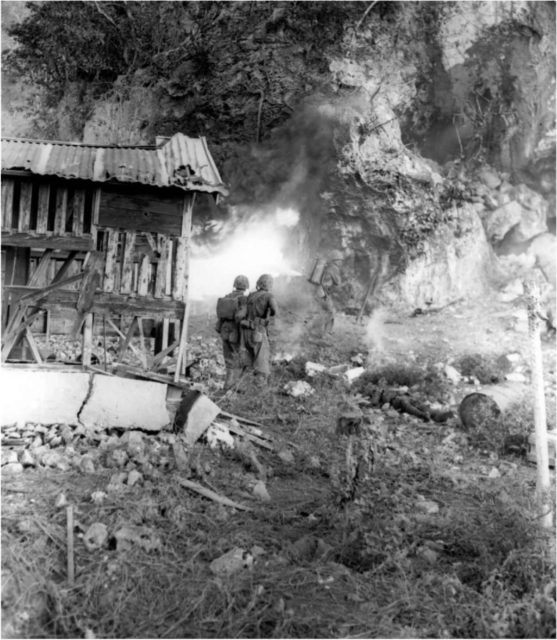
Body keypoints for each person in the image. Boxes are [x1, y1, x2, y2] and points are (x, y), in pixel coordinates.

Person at [240, 273, 278, 386]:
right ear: (269, 284)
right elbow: (275, 311)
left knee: (250, 355)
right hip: (257, 331)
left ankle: (244, 382)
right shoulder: (269, 296)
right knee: (262, 355)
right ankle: (259, 383)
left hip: (246, 330)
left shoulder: (250, 295)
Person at [215, 274, 249, 390]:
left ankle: (227, 384)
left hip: (224, 330)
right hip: (236, 331)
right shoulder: (244, 299)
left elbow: (220, 316)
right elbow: (241, 316)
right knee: (239, 358)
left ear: (235, 285)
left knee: (228, 358)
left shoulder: (226, 297)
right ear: (246, 286)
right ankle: (237, 387)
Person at [314, 249, 343, 335]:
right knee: (329, 312)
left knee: (330, 312)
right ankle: (312, 328)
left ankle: (326, 332)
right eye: (339, 260)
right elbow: (338, 283)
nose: (341, 262)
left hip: (321, 293)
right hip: (322, 293)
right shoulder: (334, 268)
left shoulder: (328, 267)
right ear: (335, 260)